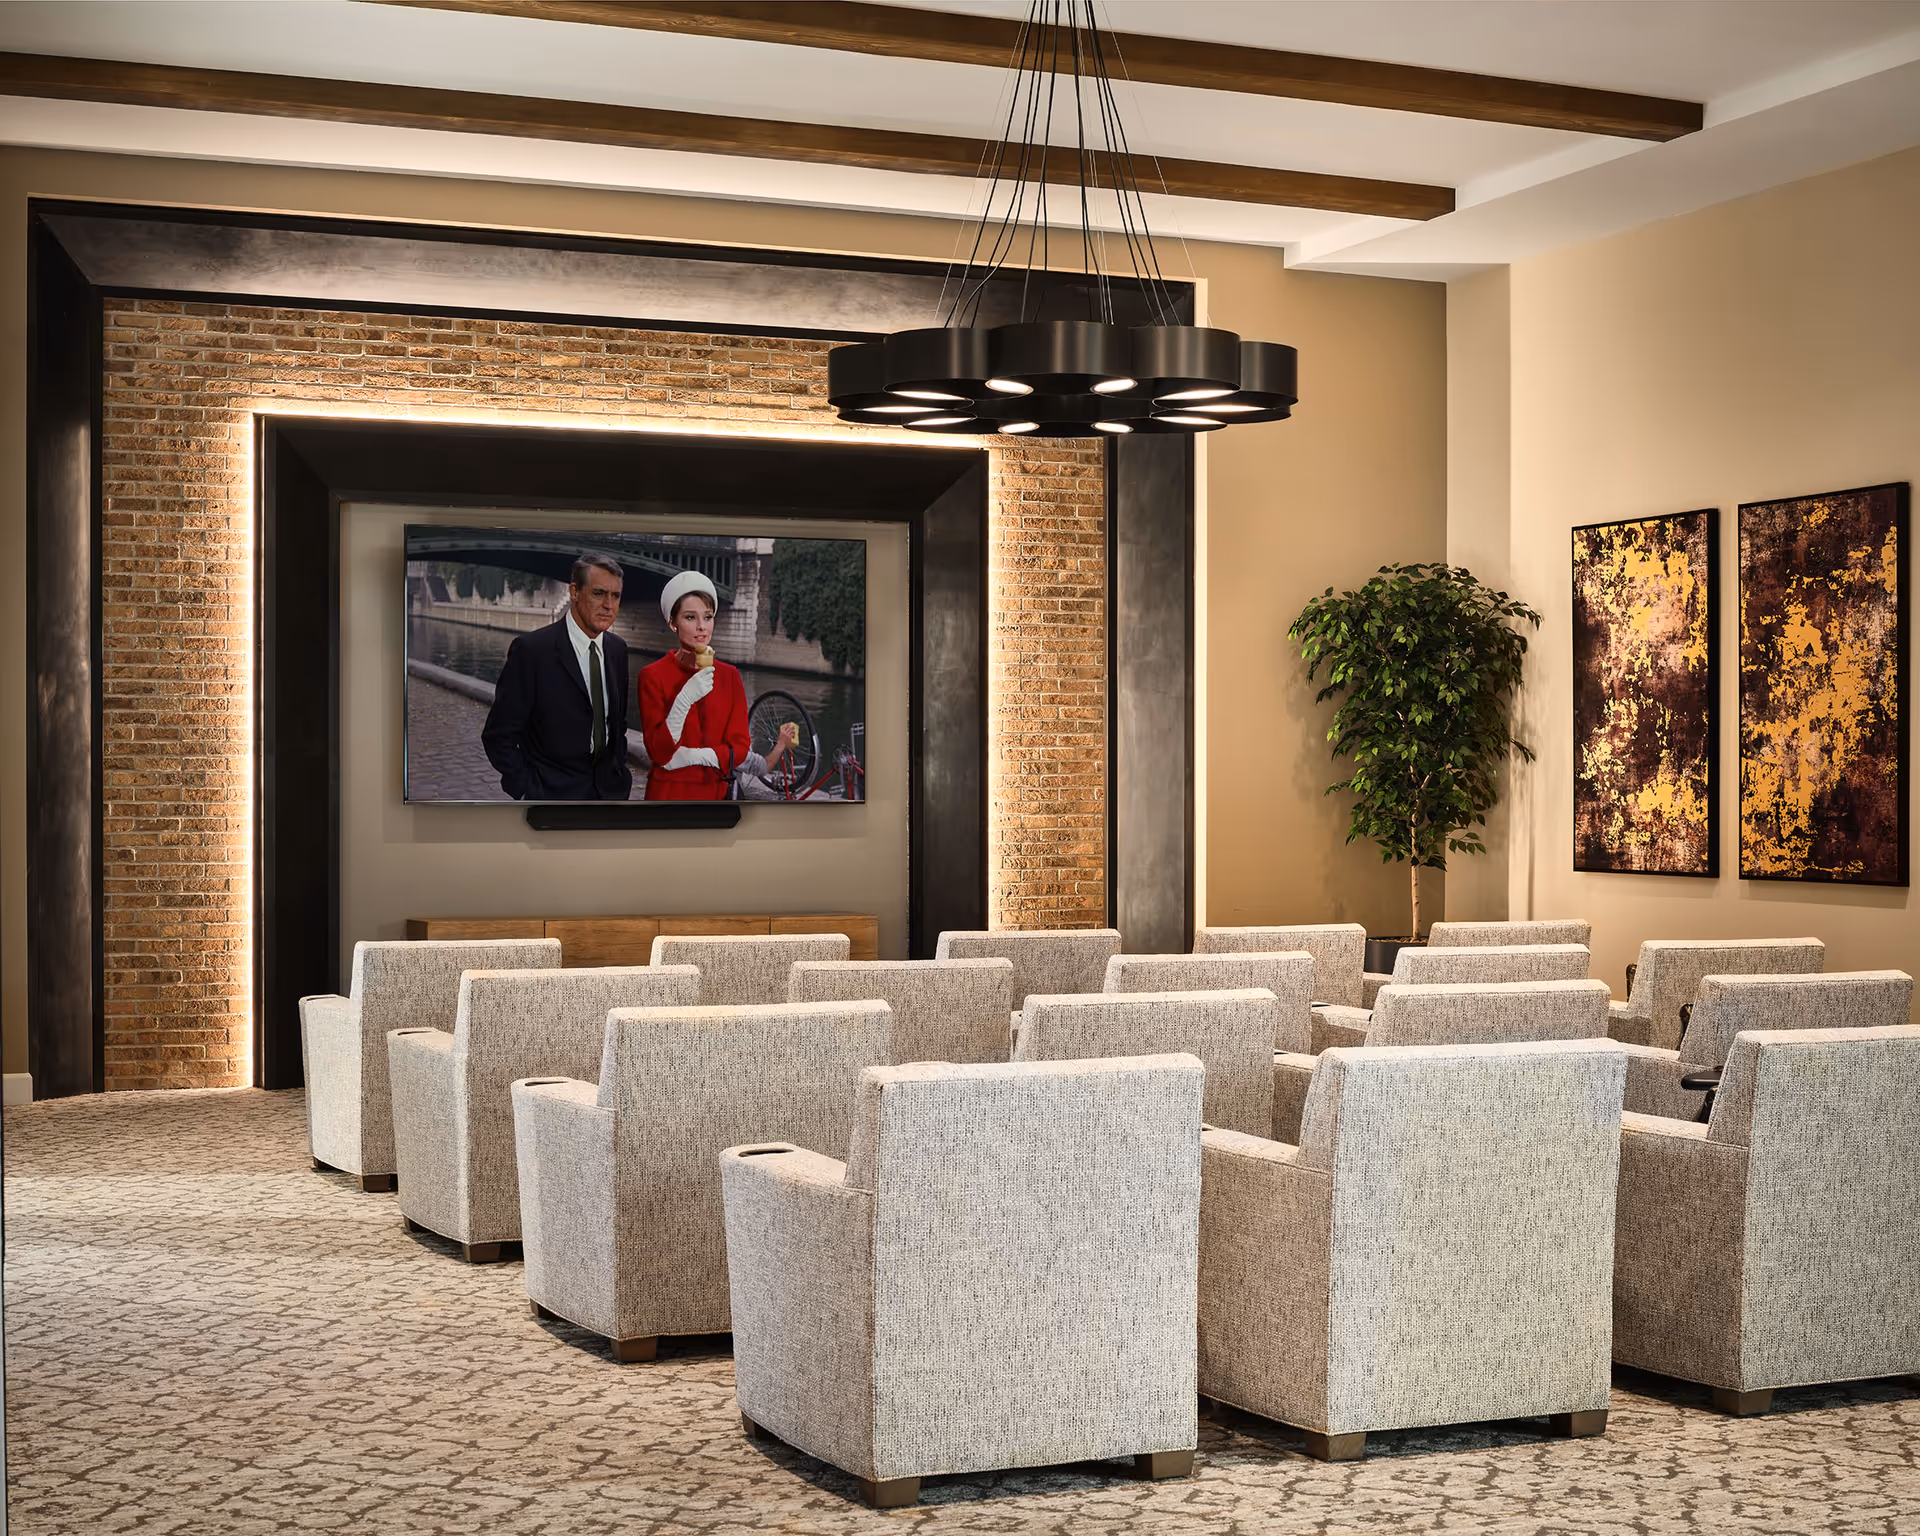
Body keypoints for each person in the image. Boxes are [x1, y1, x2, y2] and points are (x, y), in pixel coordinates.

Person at [481, 554, 633, 801]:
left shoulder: (617, 649)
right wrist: (526, 787)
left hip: (609, 793)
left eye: (615, 596)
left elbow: (618, 724)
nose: (609, 604)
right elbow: (498, 736)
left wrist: (618, 770)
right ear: (574, 592)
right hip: (552, 796)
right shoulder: (531, 651)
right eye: (599, 593)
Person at [636, 569, 765, 801]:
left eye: (707, 617)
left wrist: (692, 756)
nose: (702, 627)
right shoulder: (652, 676)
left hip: (714, 795)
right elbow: (659, 752)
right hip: (667, 796)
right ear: (673, 622)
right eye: (690, 617)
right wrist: (684, 699)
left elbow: (740, 748)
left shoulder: (729, 676)